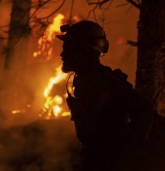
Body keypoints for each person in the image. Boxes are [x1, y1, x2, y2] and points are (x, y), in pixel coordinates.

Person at [57, 20, 154, 171]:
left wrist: (129, 154)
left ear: (83, 51)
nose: (62, 54)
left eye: (68, 48)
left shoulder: (105, 82)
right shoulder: (85, 80)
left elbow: (144, 108)